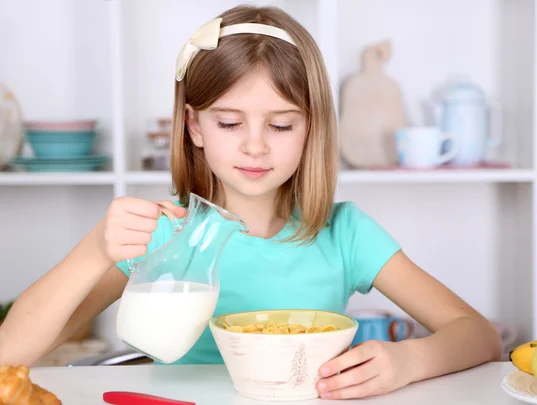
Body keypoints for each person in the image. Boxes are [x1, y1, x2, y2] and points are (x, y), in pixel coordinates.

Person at [0, 5, 502, 400]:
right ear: (194, 125)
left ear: (312, 129)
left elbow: (478, 334)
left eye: (281, 125)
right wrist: (94, 251)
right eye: (230, 122)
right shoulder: (161, 233)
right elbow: (11, 351)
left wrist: (407, 362)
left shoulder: (344, 232)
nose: (256, 146)